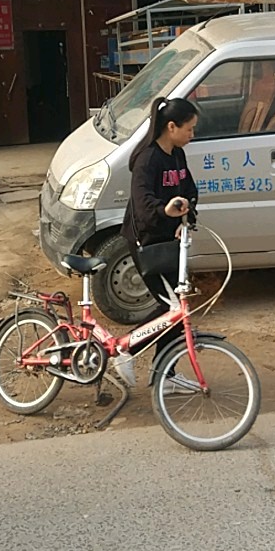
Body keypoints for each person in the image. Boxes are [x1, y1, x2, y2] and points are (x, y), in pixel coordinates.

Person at [114, 96, 199, 392]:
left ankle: (166, 373)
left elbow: (189, 190)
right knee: (171, 307)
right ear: (171, 126)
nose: (192, 135)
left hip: (170, 241)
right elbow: (142, 205)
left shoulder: (177, 155)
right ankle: (126, 349)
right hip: (146, 242)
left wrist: (184, 220)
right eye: (189, 129)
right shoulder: (147, 160)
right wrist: (165, 212)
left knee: (177, 310)